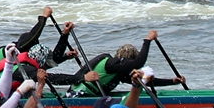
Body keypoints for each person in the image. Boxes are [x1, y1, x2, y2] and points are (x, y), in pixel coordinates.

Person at [51, 31, 182, 97]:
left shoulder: (118, 71)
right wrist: (147, 41)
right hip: (78, 96)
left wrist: (172, 81)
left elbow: (144, 81)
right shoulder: (110, 64)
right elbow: (140, 62)